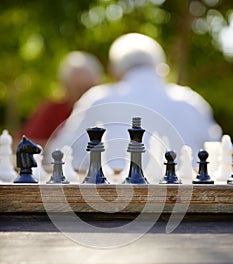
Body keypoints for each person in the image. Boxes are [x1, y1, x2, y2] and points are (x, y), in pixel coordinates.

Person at [48, 33, 222, 172]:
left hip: (107, 209)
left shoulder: (96, 99)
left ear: (115, 71)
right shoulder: (192, 102)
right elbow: (221, 156)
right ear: (162, 68)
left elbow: (56, 155)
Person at [16, 51, 103, 148]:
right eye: (77, 88)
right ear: (65, 86)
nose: (83, 95)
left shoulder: (104, 111)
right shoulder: (51, 110)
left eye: (87, 89)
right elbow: (23, 144)